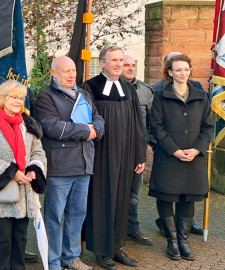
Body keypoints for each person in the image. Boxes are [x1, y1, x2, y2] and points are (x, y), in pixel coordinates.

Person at [79, 45, 146, 270]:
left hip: (126, 155)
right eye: (114, 60)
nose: (119, 64)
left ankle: (117, 247)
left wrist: (139, 155)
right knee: (100, 200)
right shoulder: (89, 88)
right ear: (103, 63)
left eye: (121, 60)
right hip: (100, 154)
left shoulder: (128, 87)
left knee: (121, 200)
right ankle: (101, 250)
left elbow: (138, 124)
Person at [36, 56, 103, 270]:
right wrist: (86, 130)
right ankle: (53, 260)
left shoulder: (83, 94)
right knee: (54, 216)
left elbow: (99, 121)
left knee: (77, 214)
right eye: (66, 71)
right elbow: (52, 127)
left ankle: (71, 258)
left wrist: (94, 129)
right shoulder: (46, 96)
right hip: (60, 166)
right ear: (54, 73)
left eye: (73, 70)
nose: (71, 75)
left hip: (84, 164)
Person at [148, 54, 214, 261]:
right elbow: (156, 127)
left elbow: (208, 127)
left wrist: (197, 149)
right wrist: (174, 150)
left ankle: (184, 241)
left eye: (186, 69)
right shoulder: (160, 96)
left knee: (189, 197)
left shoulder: (201, 96)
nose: (182, 73)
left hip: (194, 158)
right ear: (169, 72)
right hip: (168, 157)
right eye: (178, 70)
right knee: (167, 197)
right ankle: (172, 241)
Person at [0, 80, 47, 270]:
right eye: (14, 97)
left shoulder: (29, 124)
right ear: (2, 98)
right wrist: (13, 173)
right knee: (2, 242)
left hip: (25, 192)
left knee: (20, 239)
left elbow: (38, 152)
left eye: (22, 98)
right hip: (2, 193)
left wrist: (34, 169)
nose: (19, 101)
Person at [120, 54, 154, 246]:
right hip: (115, 151)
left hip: (137, 152)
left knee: (133, 194)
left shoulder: (145, 91)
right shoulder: (108, 89)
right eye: (126, 65)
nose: (131, 68)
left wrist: (147, 142)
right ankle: (114, 229)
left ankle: (132, 228)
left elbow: (152, 120)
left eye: (133, 65)